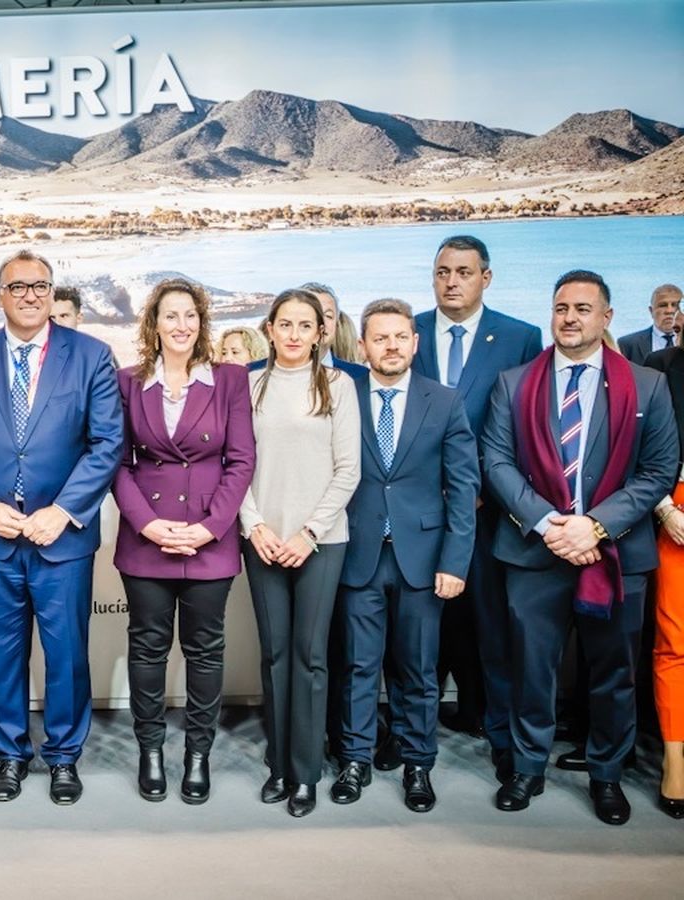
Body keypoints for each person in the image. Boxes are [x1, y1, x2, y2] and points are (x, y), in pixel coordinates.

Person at [482, 270, 678, 826]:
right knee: (531, 669)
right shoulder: (514, 383)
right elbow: (495, 461)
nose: (570, 318)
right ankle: (527, 768)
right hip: (534, 554)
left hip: (617, 554)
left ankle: (607, 775)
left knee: (614, 673)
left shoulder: (646, 385)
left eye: (583, 309)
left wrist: (594, 527)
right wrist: (550, 524)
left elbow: (658, 469)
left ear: (606, 317)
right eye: (561, 307)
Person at [0, 249, 123, 806]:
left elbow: (107, 443)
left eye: (40, 286)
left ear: (52, 293)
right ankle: (10, 754)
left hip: (62, 538)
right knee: (2, 654)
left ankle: (64, 757)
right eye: (18, 286)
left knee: (67, 653)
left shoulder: (91, 355)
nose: (30, 295)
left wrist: (64, 510)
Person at [112, 279, 255, 806]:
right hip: (146, 539)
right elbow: (117, 463)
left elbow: (241, 460)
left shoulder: (230, 379)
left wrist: (211, 527)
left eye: (190, 315)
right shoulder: (128, 382)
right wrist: (147, 524)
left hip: (208, 539)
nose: (181, 325)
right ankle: (150, 751)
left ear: (202, 322)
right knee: (147, 648)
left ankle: (198, 755)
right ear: (154, 324)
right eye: (170, 315)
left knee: (205, 650)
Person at [333, 299, 477, 813]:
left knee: (418, 670)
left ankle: (418, 765)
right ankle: (355, 760)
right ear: (362, 346)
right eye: (380, 338)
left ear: (415, 343)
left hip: (423, 558)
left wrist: (455, 562)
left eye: (400, 337)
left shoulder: (445, 401)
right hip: (358, 555)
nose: (391, 346)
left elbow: (463, 488)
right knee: (358, 666)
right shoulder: (342, 397)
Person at [412, 234, 542, 780]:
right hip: (420, 512)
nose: (451, 282)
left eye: (463, 272)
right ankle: (409, 735)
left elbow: (530, 427)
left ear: (485, 277)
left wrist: (490, 487)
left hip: (490, 511)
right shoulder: (408, 331)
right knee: (418, 630)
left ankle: (504, 742)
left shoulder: (520, 337)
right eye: (442, 271)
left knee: (494, 629)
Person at [239, 288, 360, 818]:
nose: (293, 334)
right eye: (284, 324)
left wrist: (308, 533)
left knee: (310, 657)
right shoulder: (248, 386)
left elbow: (348, 470)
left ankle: (306, 773)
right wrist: (255, 525)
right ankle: (279, 766)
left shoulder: (339, 386)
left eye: (304, 325)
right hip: (263, 540)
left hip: (321, 543)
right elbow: (235, 464)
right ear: (269, 330)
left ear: (320, 333)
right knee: (275, 655)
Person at [647, 336, 684, 818]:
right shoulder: (660, 368)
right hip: (676, 507)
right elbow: (645, 446)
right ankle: (675, 762)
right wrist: (665, 509)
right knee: (676, 641)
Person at [248, 283, 368, 382]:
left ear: (336, 324)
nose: (321, 322)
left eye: (328, 316)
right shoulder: (251, 374)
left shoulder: (360, 376)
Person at [617, 284, 682, 365]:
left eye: (675, 305)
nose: (669, 311)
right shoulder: (627, 344)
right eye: (663, 305)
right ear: (651, 311)